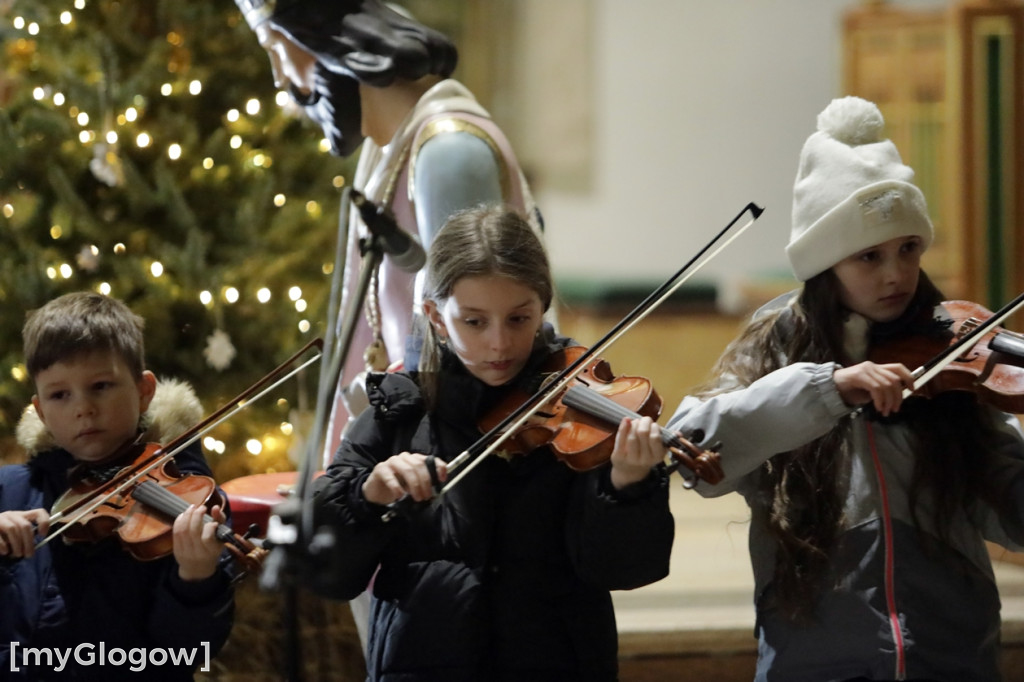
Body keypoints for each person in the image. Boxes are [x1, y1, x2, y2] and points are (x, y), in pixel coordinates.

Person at [667, 95, 1024, 682]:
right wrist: (825, 390)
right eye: (869, 257)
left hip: (950, 656)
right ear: (825, 264)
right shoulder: (775, 350)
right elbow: (694, 450)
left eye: (908, 249)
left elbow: (1011, 516)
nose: (896, 274)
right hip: (813, 661)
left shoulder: (956, 353)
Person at [309, 205, 674, 681]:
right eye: (475, 322)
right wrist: (367, 495)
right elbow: (328, 575)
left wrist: (627, 488)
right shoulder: (396, 412)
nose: (499, 344)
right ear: (437, 317)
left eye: (519, 319)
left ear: (542, 307)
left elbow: (624, 571)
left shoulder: (584, 413)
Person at [233, 0, 545, 457]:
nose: (281, 78)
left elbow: (471, 341)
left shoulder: (448, 151)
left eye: (277, 49)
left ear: (324, 39)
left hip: (452, 454)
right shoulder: (394, 147)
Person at [0, 292, 235, 680]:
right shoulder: (9, 491)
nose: (83, 408)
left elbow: (184, 656)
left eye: (101, 385)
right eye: (59, 394)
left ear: (144, 392)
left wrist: (195, 578)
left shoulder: (186, 500)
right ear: (40, 410)